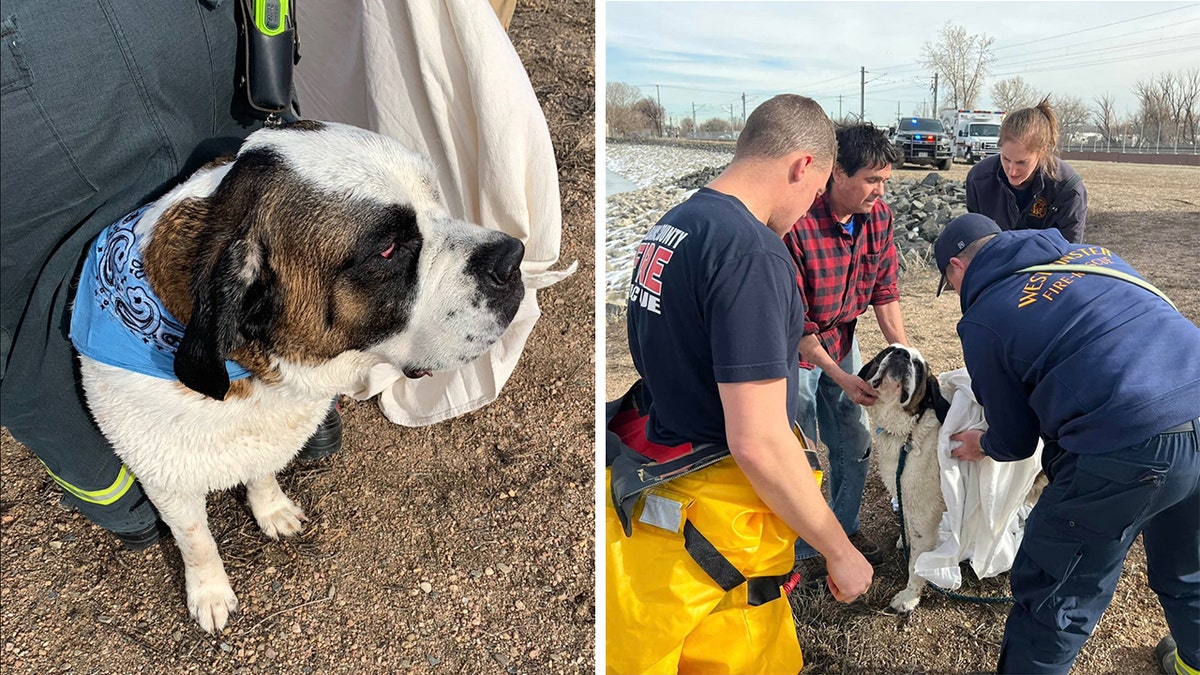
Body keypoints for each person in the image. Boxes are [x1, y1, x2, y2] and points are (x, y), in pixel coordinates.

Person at [0, 0, 339, 551]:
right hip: (56, 82)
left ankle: (275, 450)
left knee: (248, 185)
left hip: (179, 37)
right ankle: (136, 503)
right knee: (39, 315)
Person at [606, 94, 874, 674]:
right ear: (803, 165)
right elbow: (757, 439)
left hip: (666, 493)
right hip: (721, 516)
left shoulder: (673, 227)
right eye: (815, 191)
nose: (808, 211)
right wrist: (840, 549)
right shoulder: (751, 253)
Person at [933, 213, 1200, 675]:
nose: (958, 295)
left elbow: (1015, 440)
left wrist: (986, 442)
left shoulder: (985, 316)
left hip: (1130, 441)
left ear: (956, 267)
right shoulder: (1096, 257)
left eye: (951, 285)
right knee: (1190, 565)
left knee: (1056, 599)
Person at [784, 123, 909, 577]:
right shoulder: (797, 222)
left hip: (842, 338)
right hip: (793, 349)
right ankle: (793, 548)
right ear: (837, 173)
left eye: (885, 181)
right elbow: (796, 323)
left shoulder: (878, 217)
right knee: (792, 448)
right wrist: (840, 377)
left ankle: (843, 528)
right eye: (872, 180)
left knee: (853, 436)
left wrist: (904, 355)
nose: (880, 190)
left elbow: (884, 290)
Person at [965, 96, 1088, 243]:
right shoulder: (978, 179)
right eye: (1005, 159)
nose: (1012, 171)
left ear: (1042, 151)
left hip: (1047, 263)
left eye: (1022, 163)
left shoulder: (1069, 190)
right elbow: (976, 242)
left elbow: (1070, 253)